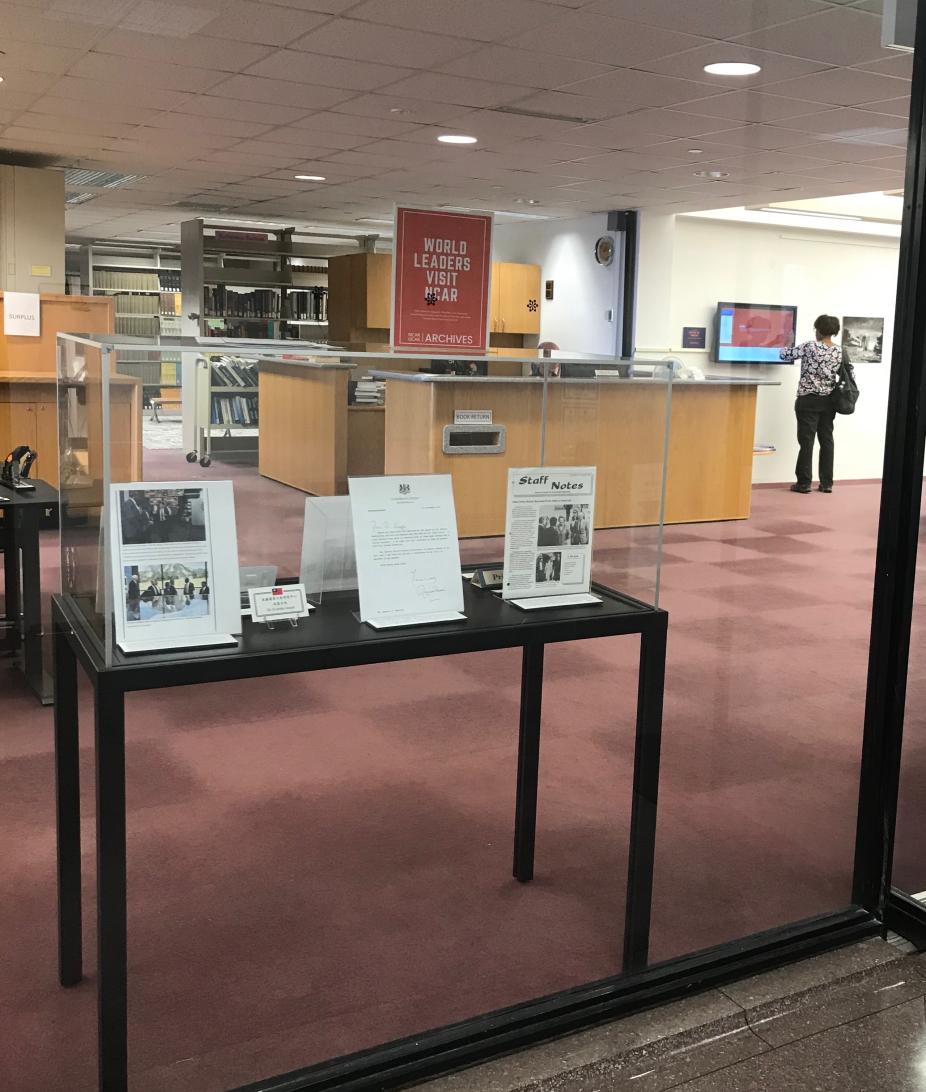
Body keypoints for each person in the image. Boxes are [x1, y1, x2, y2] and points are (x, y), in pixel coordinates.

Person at [779, 314, 843, 493]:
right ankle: (827, 483)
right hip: (829, 402)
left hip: (808, 400)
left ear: (819, 330)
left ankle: (804, 483)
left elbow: (785, 354)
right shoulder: (839, 351)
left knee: (807, 442)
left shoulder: (810, 346)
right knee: (827, 441)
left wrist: (788, 340)